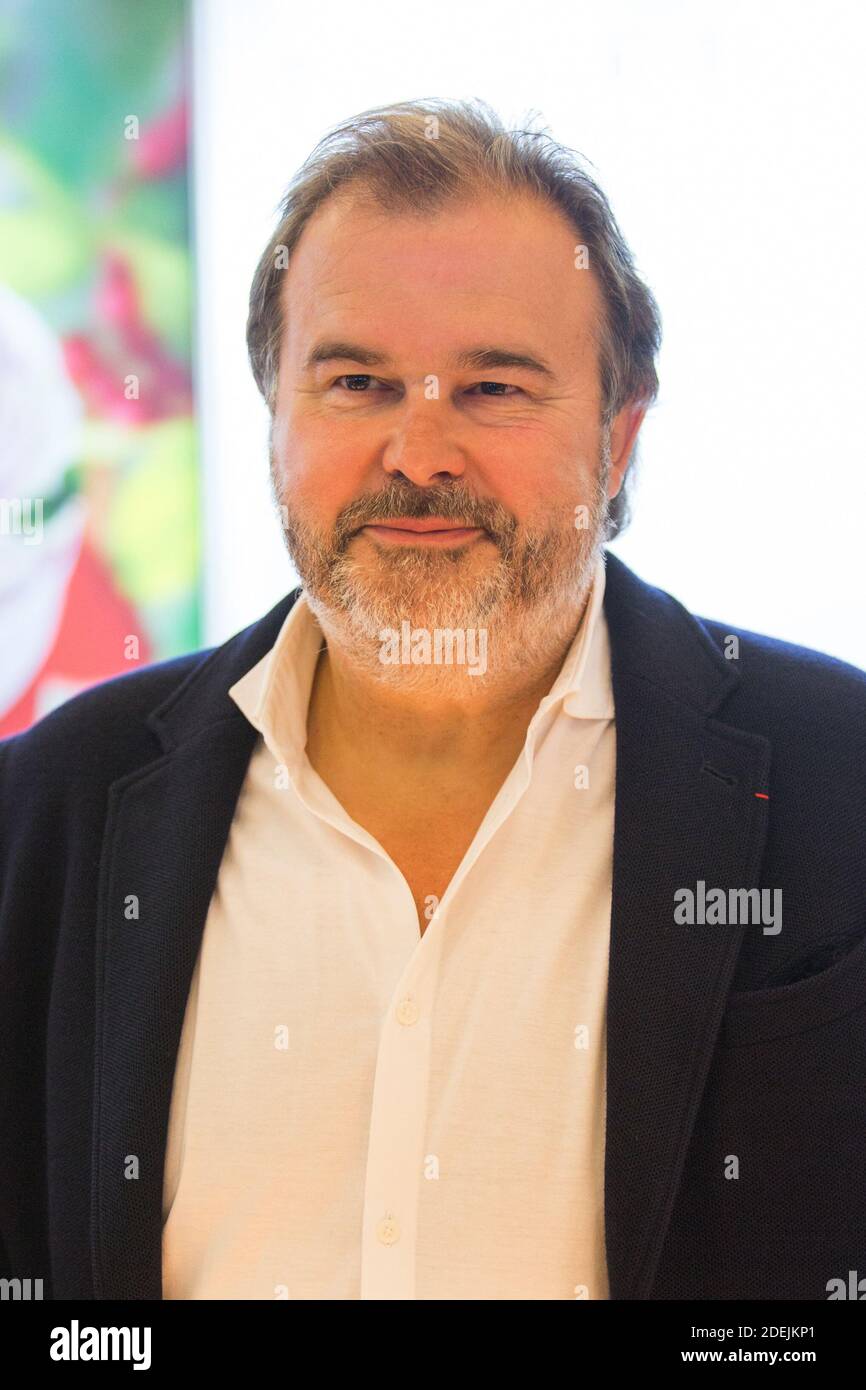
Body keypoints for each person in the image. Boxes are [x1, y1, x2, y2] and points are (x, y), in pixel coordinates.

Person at [1, 98, 865, 1302]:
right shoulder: (47, 812)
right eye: (355, 381)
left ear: (616, 443)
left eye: (494, 389)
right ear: (274, 422)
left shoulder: (840, 785)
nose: (418, 452)